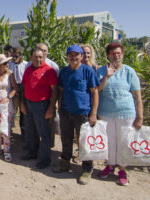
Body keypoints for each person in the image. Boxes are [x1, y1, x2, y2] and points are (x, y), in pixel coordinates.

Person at [96, 43, 143, 186]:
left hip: (126, 113)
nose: (116, 55)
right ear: (108, 55)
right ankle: (110, 166)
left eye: (118, 53)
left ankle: (122, 170)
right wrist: (106, 77)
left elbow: (137, 96)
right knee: (109, 141)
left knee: (124, 142)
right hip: (106, 113)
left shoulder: (129, 71)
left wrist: (140, 117)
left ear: (122, 54)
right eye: (113, 53)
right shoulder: (102, 70)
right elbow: (97, 90)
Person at [53, 45, 100, 185]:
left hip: (83, 113)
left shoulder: (87, 71)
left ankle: (87, 168)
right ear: (67, 56)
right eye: (70, 55)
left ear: (81, 56)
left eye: (76, 55)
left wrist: (93, 113)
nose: (73, 58)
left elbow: (94, 92)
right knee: (66, 138)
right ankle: (65, 163)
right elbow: (60, 90)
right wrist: (59, 106)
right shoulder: (64, 71)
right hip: (66, 111)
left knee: (84, 141)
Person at [20, 47, 58, 169]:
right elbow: (24, 87)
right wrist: (22, 103)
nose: (38, 59)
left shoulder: (49, 71)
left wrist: (51, 108)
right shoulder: (28, 69)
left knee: (44, 133)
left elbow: (54, 90)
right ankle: (32, 153)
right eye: (36, 57)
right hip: (29, 103)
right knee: (30, 130)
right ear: (31, 57)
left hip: (42, 105)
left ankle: (44, 159)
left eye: (41, 57)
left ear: (44, 57)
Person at [8, 46, 28, 137]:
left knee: (23, 110)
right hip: (13, 87)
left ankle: (24, 132)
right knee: (12, 109)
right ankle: (9, 130)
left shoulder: (26, 65)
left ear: (20, 56)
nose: (14, 58)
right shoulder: (9, 64)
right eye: (12, 56)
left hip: (23, 87)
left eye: (16, 56)